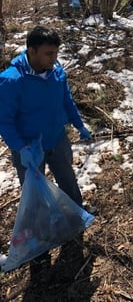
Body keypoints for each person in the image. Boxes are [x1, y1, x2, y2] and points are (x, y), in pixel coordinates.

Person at [0, 26, 92, 270]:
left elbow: (66, 101)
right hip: (29, 148)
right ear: (32, 51)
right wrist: (22, 148)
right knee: (34, 195)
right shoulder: (12, 80)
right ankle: (39, 241)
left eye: (56, 53)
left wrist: (79, 125)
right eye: (49, 54)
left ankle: (75, 219)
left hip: (57, 139)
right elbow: (5, 121)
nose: (54, 58)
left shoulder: (56, 71)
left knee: (68, 181)